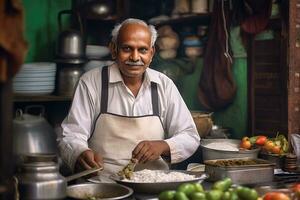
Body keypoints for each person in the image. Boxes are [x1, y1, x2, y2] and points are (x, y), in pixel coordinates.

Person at [57, 18, 200, 177]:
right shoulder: (91, 82)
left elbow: (190, 136)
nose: (135, 57)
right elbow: (71, 134)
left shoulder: (164, 85)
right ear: (113, 49)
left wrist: (164, 145)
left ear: (151, 53)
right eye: (127, 48)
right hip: (105, 185)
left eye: (143, 50)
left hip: (152, 185)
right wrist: (80, 152)